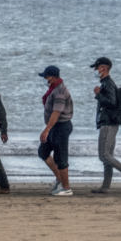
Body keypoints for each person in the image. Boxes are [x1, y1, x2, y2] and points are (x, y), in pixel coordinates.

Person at [90, 57, 121, 194]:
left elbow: (112, 102)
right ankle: (105, 186)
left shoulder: (108, 84)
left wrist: (98, 95)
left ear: (103, 68)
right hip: (109, 123)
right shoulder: (106, 83)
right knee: (107, 156)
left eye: (97, 67)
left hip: (109, 123)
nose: (95, 70)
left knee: (104, 155)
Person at [38, 65, 74, 197]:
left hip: (61, 127)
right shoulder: (53, 89)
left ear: (52, 77)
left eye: (46, 77)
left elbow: (56, 112)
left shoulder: (60, 92)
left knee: (61, 158)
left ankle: (66, 188)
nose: (44, 79)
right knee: (43, 152)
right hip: (54, 127)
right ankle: (59, 178)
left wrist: (46, 130)